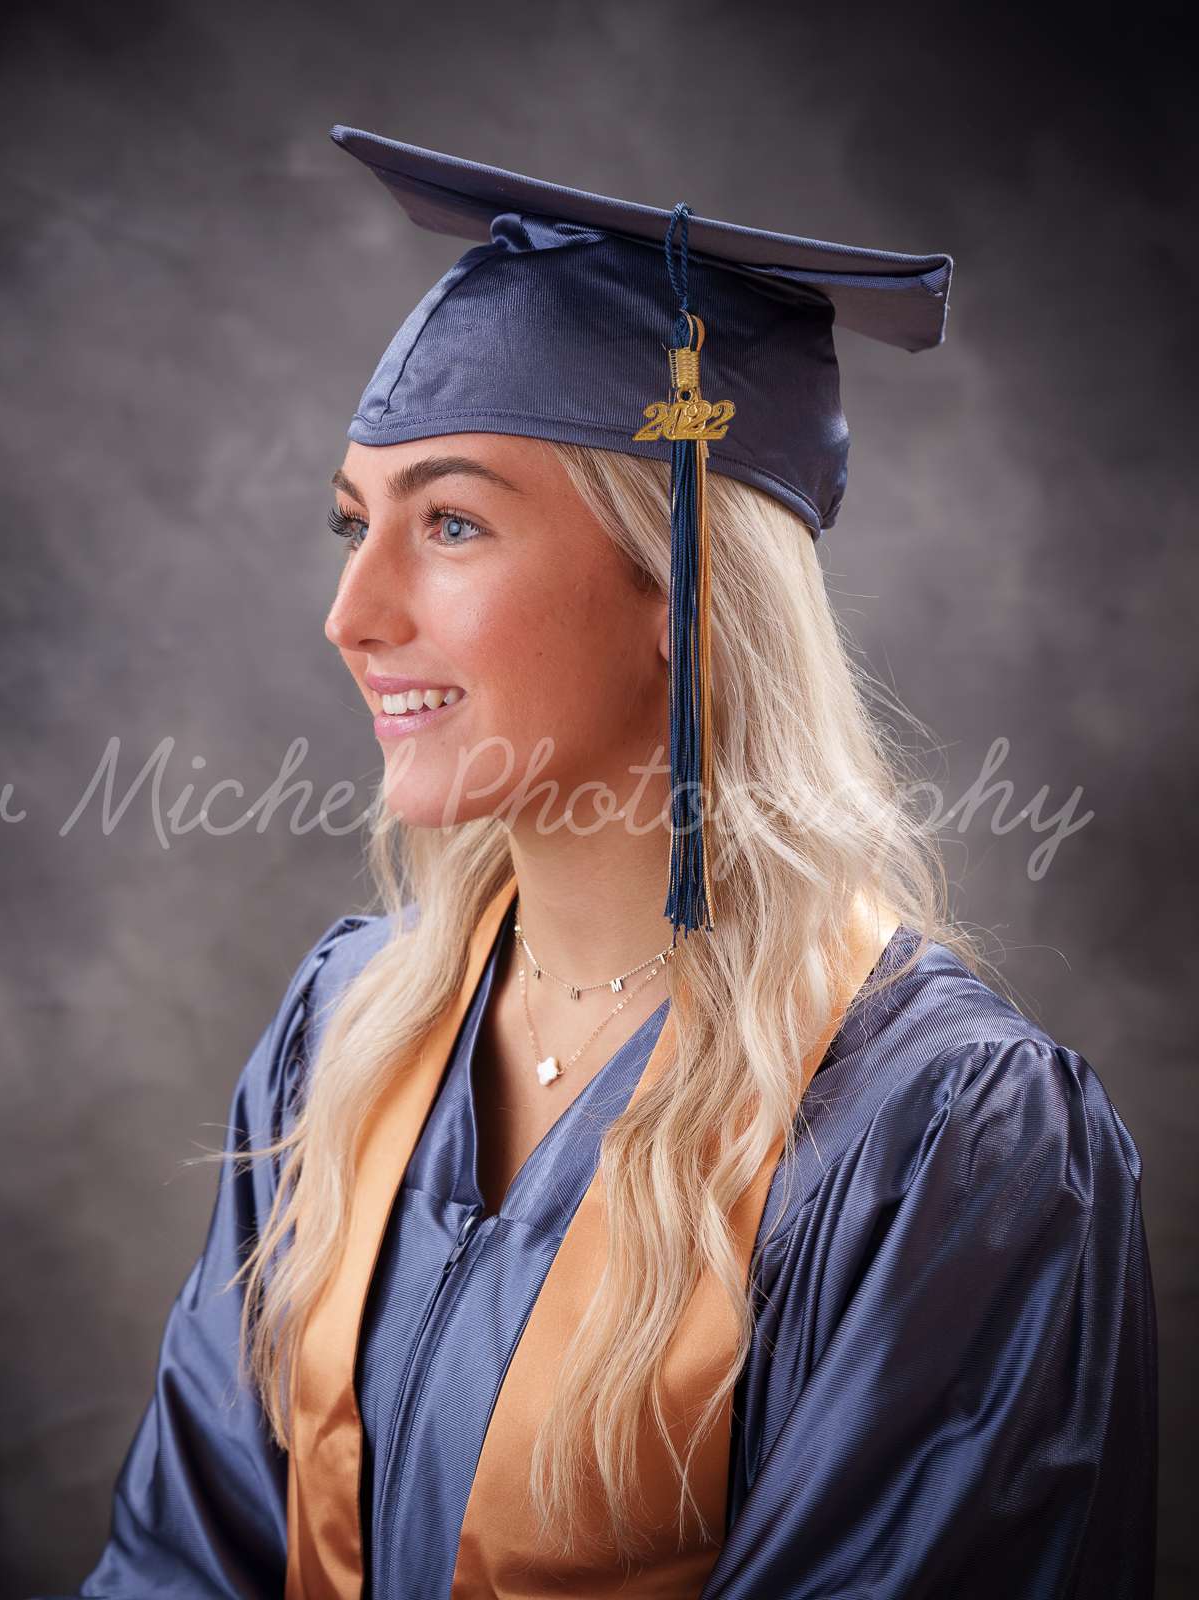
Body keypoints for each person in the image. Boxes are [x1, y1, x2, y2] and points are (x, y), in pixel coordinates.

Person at [57, 127, 1158, 1598]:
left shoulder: (935, 1141)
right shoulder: (347, 1032)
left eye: (450, 523)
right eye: (352, 524)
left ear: (681, 585)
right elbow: (180, 1564)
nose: (351, 613)